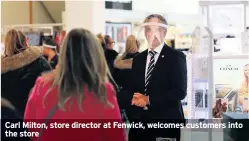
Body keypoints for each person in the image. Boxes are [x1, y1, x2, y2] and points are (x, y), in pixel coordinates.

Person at [24, 28, 126, 141]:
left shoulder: (42, 86)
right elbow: (116, 136)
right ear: (95, 55)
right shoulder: (102, 91)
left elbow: (31, 126)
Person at [128, 14, 187, 141]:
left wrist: (148, 99)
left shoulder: (176, 57)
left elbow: (180, 92)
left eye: (157, 29)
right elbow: (132, 89)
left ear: (164, 32)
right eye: (149, 29)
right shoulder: (138, 59)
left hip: (165, 125)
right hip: (140, 127)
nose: (152, 33)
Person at [1, 29, 51, 116]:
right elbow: (51, 88)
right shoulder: (39, 62)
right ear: (25, 42)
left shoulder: (3, 70)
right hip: (36, 117)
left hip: (10, 121)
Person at [114, 35, 139, 109]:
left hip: (123, 97)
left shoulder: (118, 62)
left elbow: (116, 81)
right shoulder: (143, 60)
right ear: (137, 44)